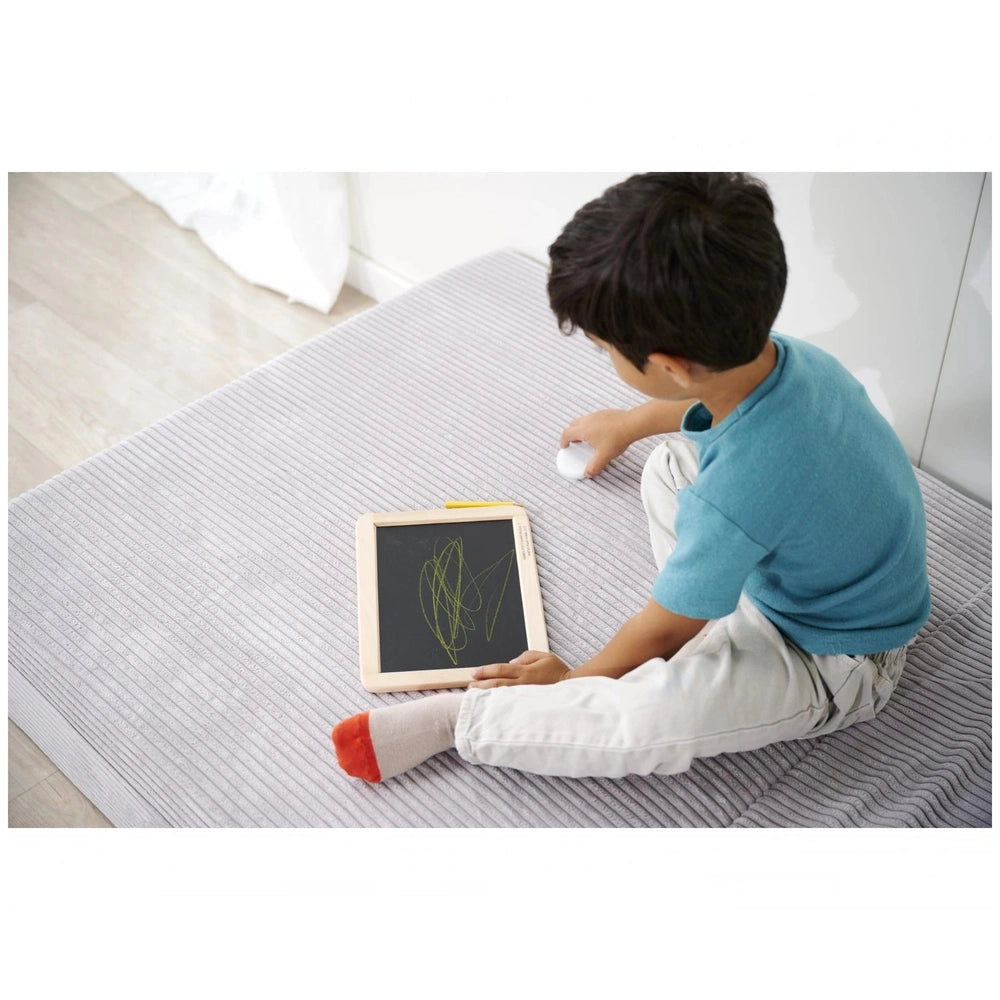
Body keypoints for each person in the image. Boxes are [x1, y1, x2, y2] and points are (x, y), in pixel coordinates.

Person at [331, 172, 931, 783]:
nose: (604, 357)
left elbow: (663, 630)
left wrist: (572, 680)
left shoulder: (736, 492)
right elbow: (710, 405)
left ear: (670, 365)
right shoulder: (789, 357)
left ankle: (467, 720)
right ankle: (717, 595)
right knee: (669, 466)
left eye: (605, 349)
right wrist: (629, 423)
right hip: (806, 563)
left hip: (838, 656)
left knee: (650, 717)